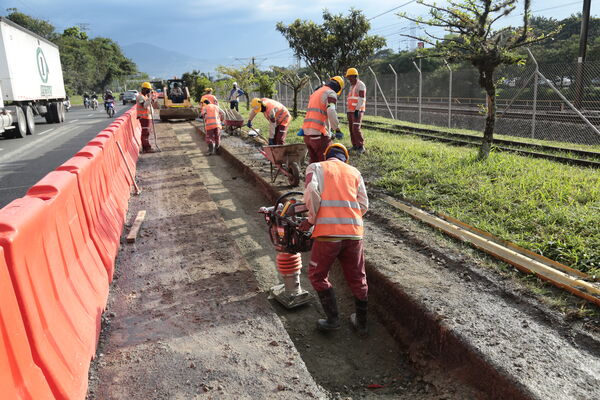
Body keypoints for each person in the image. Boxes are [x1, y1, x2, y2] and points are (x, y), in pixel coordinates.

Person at [299, 143, 369, 336]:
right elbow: (363, 204)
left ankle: (332, 320)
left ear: (326, 155)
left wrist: (312, 220)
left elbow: (312, 192)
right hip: (354, 234)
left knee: (317, 275)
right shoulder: (355, 172)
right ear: (345, 158)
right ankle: (362, 324)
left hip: (327, 234)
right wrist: (349, 218)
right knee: (358, 277)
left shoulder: (316, 167)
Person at [301, 76, 344, 163]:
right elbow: (331, 110)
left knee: (314, 163)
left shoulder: (316, 92)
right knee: (325, 162)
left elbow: (320, 113)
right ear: (338, 88)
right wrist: (337, 129)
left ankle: (311, 176)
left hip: (307, 135)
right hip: (318, 135)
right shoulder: (330, 93)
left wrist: (329, 131)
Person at [345, 68, 367, 154]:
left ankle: (361, 146)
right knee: (351, 128)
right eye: (348, 77)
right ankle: (354, 145)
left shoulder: (361, 85)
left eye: (350, 77)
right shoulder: (352, 86)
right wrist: (348, 110)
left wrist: (357, 110)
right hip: (350, 111)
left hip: (357, 110)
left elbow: (361, 98)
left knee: (356, 128)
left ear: (354, 76)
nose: (349, 79)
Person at [136, 82, 154, 153]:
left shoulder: (145, 96)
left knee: (147, 133)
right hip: (144, 118)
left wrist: (151, 99)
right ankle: (146, 148)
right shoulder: (140, 97)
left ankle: (146, 147)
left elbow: (148, 104)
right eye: (148, 89)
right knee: (145, 133)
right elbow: (144, 105)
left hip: (147, 117)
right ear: (144, 89)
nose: (149, 91)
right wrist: (150, 98)